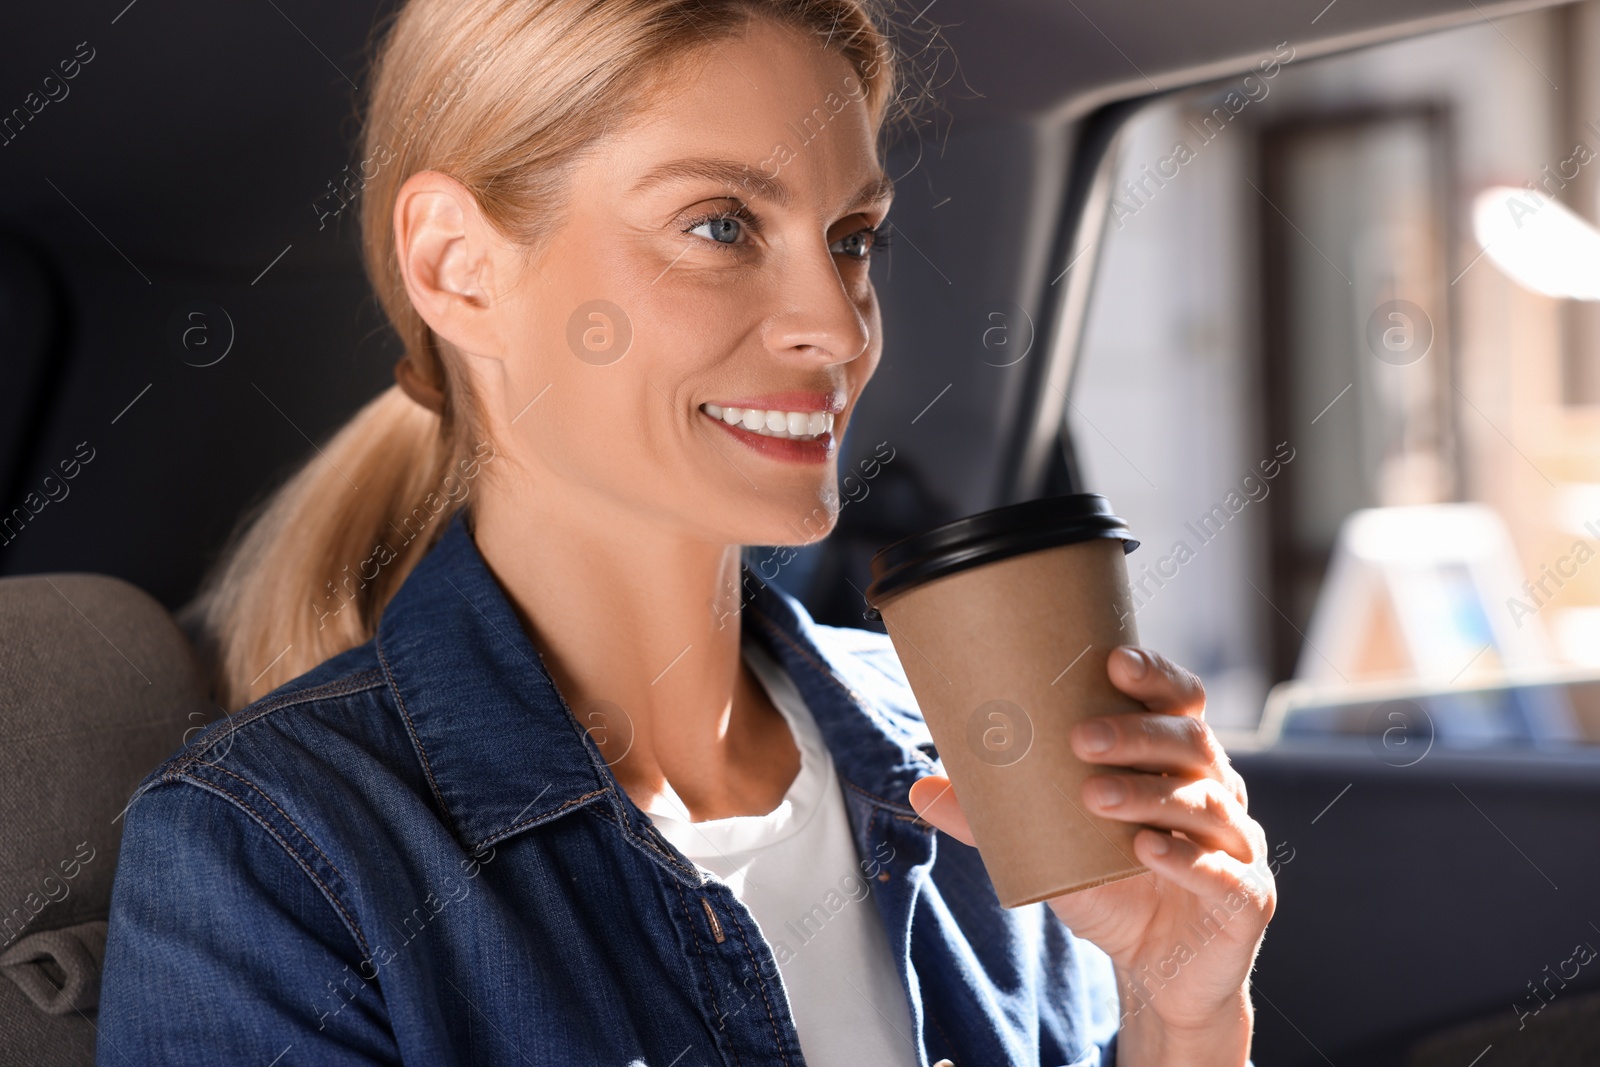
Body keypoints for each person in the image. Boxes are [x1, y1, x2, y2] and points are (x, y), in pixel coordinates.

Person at [96, 1, 1275, 1063]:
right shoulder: (272, 856)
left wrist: (1181, 1017)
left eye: (851, 236)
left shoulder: (975, 760)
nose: (837, 326)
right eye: (719, 225)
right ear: (459, 270)